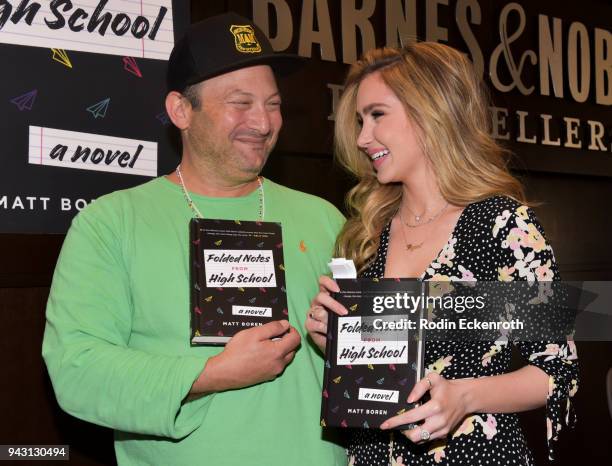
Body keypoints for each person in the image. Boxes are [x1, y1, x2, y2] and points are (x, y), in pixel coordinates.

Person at [42, 13, 346, 466]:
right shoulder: (112, 222)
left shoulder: (324, 219)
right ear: (181, 110)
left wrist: (342, 343)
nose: (263, 123)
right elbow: (77, 370)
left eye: (274, 104)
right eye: (240, 103)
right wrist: (212, 373)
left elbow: (374, 364)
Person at [306, 42, 578, 466]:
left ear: (429, 112)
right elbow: (382, 372)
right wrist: (337, 343)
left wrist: (465, 396)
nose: (362, 137)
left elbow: (556, 371)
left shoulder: (501, 226)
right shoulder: (368, 234)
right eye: (360, 120)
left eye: (377, 115)